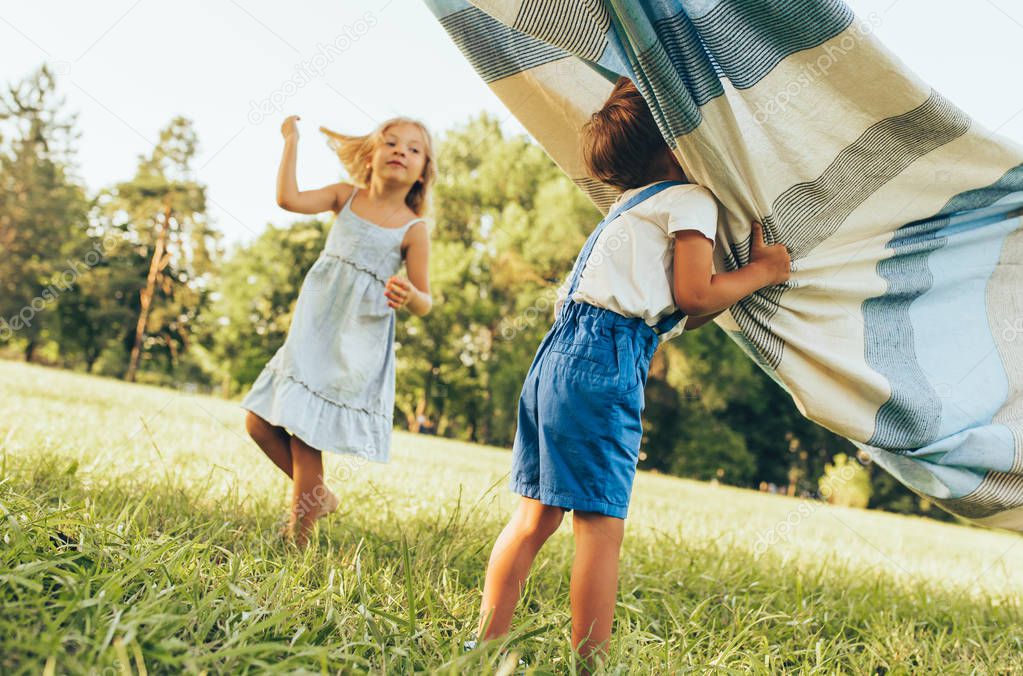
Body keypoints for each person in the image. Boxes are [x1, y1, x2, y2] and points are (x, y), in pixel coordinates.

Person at [473, 77, 791, 670]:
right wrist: (765, 272)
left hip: (558, 355)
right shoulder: (692, 198)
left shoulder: (627, 205)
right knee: (599, 527)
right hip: (606, 361)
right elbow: (696, 295)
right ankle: (588, 666)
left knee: (534, 515)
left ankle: (483, 648)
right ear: (677, 142)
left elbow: (680, 309)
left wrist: (727, 287)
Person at [241, 114, 435, 548]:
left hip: (354, 346)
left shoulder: (413, 229)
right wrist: (292, 141)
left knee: (307, 437)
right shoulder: (344, 197)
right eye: (390, 142)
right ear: (371, 154)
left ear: (423, 171)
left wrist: (410, 296)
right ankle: (318, 496)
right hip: (312, 333)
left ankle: (296, 545)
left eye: (413, 148)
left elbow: (425, 299)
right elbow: (288, 200)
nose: (400, 150)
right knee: (258, 422)